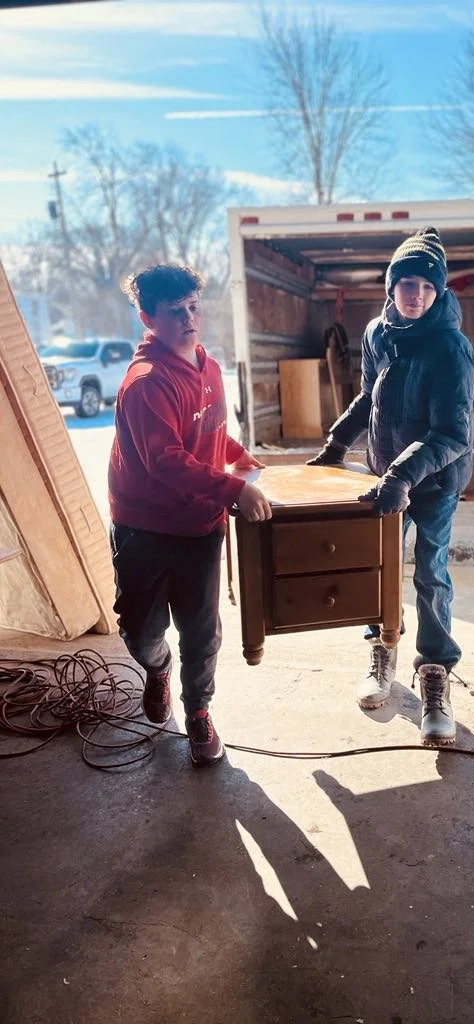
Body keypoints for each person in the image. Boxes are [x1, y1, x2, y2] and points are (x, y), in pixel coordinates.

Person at [307, 226, 474, 745]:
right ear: (391, 285)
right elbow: (369, 400)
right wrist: (338, 444)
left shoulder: (451, 347)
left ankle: (434, 672)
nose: (416, 295)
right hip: (388, 476)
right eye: (407, 284)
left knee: (429, 572)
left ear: (439, 292)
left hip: (433, 480)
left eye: (427, 287)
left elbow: (454, 433)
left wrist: (403, 475)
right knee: (377, 570)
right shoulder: (377, 333)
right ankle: (382, 649)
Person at [108, 264, 271, 766]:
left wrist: (239, 457)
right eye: (175, 311)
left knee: (201, 628)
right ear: (147, 318)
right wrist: (232, 491)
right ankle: (157, 670)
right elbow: (165, 459)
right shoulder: (146, 384)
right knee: (141, 631)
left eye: (194, 307)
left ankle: (198, 711)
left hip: (200, 523)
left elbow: (211, 432)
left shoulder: (209, 367)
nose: (188, 318)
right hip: (146, 527)